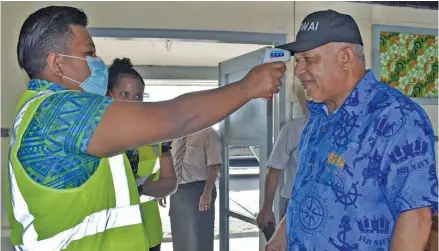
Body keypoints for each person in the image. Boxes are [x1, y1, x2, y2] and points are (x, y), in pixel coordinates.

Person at [6, 5, 285, 251]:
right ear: (56, 63)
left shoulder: (40, 110)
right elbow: (178, 118)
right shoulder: (57, 114)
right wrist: (247, 87)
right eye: (89, 53)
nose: (97, 63)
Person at [266, 9, 438, 251]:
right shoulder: (318, 119)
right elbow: (307, 191)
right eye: (297, 61)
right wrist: (282, 235)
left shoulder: (397, 118)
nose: (298, 70)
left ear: (345, 57)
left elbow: (416, 218)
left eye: (309, 59)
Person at [107, 58, 177, 251]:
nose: (133, 103)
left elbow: (170, 182)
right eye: (124, 94)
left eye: (138, 96)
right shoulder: (97, 135)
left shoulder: (155, 134)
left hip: (149, 233)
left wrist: (140, 189)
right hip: (112, 238)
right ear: (108, 95)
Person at [256, 89, 309, 234]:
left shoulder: (338, 129)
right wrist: (267, 208)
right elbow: (274, 169)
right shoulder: (294, 129)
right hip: (294, 202)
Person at [161, 128, 221, 251]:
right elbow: (170, 162)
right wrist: (164, 189)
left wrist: (207, 192)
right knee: (181, 237)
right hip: (177, 192)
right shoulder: (176, 134)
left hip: (199, 191)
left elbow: (214, 165)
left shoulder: (208, 133)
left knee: (200, 239)